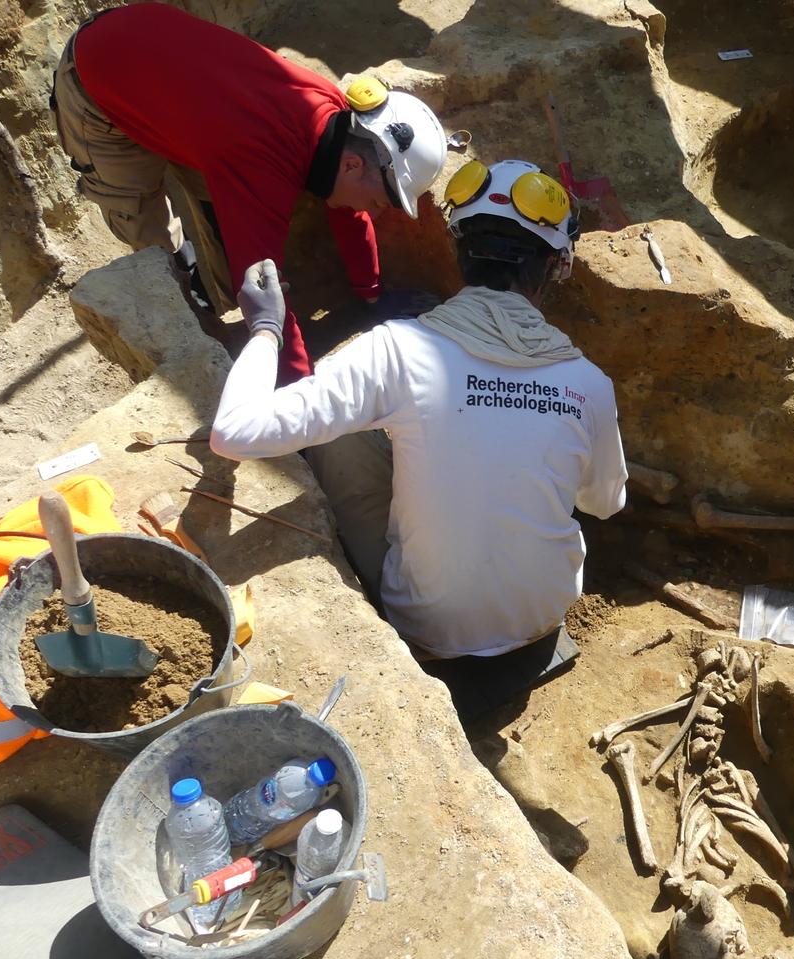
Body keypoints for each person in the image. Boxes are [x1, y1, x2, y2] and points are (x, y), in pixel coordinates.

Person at [210, 159, 629, 718]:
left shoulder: (396, 351)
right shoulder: (588, 384)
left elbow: (234, 432)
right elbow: (605, 503)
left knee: (341, 437)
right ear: (557, 266)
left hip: (428, 627)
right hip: (541, 617)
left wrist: (265, 326)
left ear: (461, 253)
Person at [50, 3, 447, 384]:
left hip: (170, 66)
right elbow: (262, 288)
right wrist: (298, 390)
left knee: (212, 192)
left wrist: (372, 295)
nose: (375, 213)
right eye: (379, 202)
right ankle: (198, 324)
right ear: (351, 166)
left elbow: (350, 211)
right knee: (146, 230)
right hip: (99, 78)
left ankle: (211, 292)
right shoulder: (259, 167)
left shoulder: (340, 120)